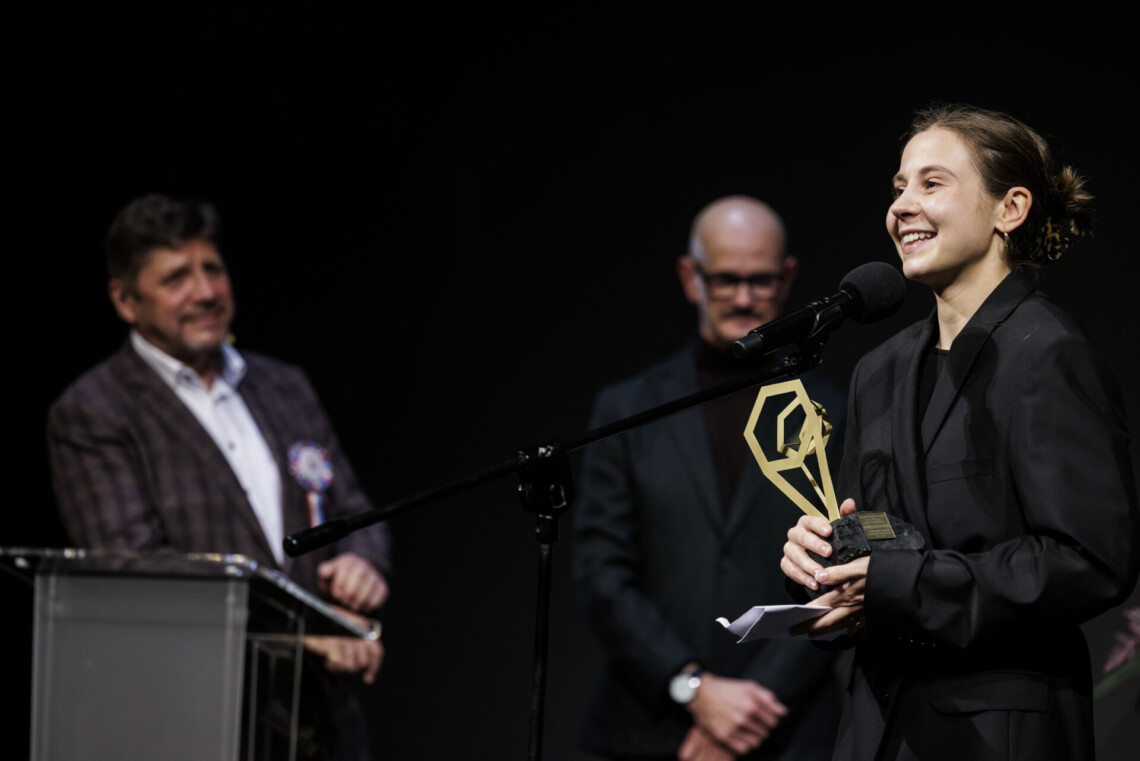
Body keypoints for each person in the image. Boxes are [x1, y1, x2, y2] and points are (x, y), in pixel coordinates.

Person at [781, 104, 1140, 761]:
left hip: (997, 734)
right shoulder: (878, 372)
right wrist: (822, 568)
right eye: (898, 187)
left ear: (1011, 208)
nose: (903, 206)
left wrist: (898, 585)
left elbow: (1091, 559)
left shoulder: (1046, 351)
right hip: (880, 733)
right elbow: (878, 537)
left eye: (932, 183)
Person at [46, 193, 392, 761]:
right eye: (177, 277)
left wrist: (364, 562)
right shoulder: (96, 411)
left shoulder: (284, 386)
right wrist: (304, 636)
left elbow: (354, 509)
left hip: (322, 726)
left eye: (212, 268)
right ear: (125, 301)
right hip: (193, 724)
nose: (205, 292)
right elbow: (136, 573)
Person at [573, 196, 845, 761]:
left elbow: (837, 581)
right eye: (725, 279)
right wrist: (693, 687)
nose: (744, 297)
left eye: (761, 280)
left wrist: (751, 708)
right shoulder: (626, 409)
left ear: (788, 277)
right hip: (648, 730)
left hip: (787, 731)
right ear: (689, 276)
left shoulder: (834, 414)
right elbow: (601, 572)